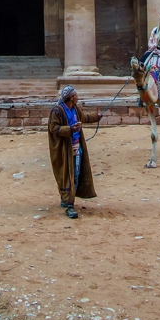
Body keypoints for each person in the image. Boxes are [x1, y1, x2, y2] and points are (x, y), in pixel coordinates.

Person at [48, 85, 98, 220]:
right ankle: (69, 204)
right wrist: (70, 129)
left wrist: (97, 117)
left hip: (77, 146)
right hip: (64, 149)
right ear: (71, 97)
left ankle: (68, 200)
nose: (77, 96)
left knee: (75, 174)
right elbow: (54, 128)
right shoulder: (57, 111)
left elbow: (84, 117)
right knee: (67, 176)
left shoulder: (75, 109)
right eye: (76, 95)